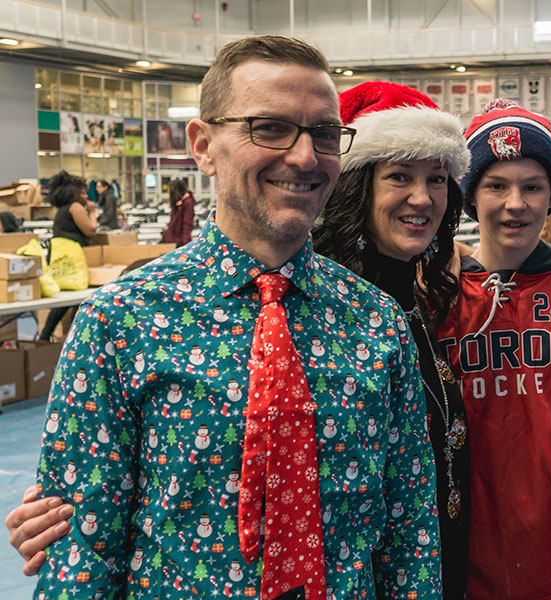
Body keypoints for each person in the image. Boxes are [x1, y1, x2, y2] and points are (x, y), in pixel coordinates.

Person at [25, 35, 440, 599]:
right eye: (269, 127)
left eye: (323, 134)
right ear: (203, 144)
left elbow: (409, 530)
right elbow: (84, 553)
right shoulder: (120, 320)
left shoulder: (376, 323)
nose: (303, 156)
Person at [434, 98, 551, 600]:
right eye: (496, 185)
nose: (514, 203)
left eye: (532, 187)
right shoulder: (438, 298)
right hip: (457, 567)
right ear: (470, 196)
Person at [311, 80, 473, 600]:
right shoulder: (325, 311)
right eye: (400, 176)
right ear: (357, 186)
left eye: (438, 179)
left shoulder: (421, 298)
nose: (423, 198)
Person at [38, 171, 96, 341]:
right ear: (74, 193)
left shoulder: (62, 210)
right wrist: (92, 212)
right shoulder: (75, 207)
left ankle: (46, 335)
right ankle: (73, 337)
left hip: (61, 258)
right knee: (75, 298)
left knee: (66, 300)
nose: (86, 196)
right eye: (83, 193)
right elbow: (90, 230)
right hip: (74, 259)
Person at [161, 178, 196, 246]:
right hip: (175, 239)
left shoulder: (187, 202)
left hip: (178, 241)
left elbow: (187, 223)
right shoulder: (181, 202)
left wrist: (185, 244)